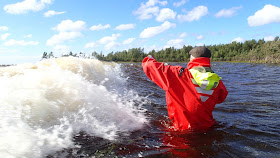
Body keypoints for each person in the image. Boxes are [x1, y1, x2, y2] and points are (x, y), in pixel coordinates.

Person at [142, 46, 228, 130]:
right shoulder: (217, 81)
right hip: (207, 127)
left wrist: (149, 57)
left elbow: (149, 66)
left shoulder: (178, 74)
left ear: (192, 59)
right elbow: (221, 98)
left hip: (182, 130)